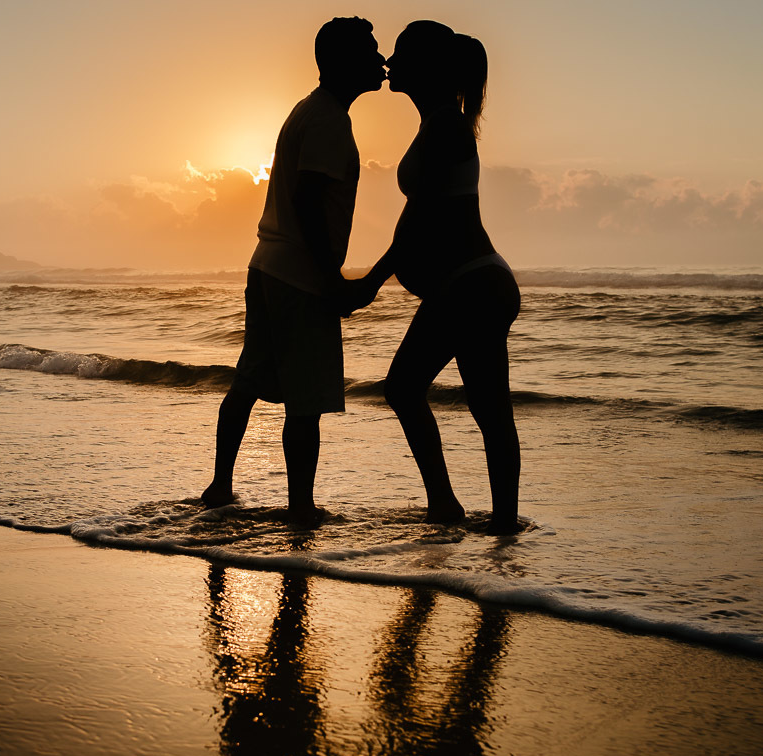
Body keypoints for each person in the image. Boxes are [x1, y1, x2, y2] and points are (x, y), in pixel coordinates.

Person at [200, 18, 386, 526]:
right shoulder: (328, 119)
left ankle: (220, 485)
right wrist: (330, 276)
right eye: (371, 50)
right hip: (299, 275)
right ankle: (300, 507)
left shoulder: (307, 110)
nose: (381, 58)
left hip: (267, 264)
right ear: (345, 62)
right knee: (304, 399)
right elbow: (307, 198)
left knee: (250, 378)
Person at [347, 20, 522, 535]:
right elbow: (419, 219)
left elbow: (421, 219)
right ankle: (468, 512)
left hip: (471, 285)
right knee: (436, 396)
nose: (390, 62)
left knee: (424, 393)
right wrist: (373, 279)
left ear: (425, 67)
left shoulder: (445, 125)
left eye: (399, 53)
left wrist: (370, 283)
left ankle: (492, 520)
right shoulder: (438, 122)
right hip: (468, 284)